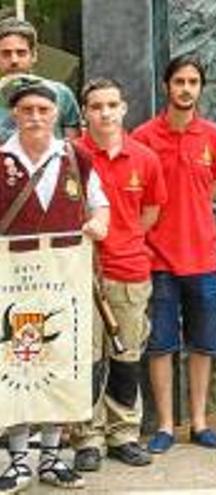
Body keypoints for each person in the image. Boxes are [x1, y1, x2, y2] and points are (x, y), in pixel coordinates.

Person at [0, 77, 109, 492]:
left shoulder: (76, 158)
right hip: (10, 282)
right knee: (15, 363)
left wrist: (99, 224)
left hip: (62, 279)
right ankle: (17, 461)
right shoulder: (0, 159)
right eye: (27, 110)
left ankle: (50, 458)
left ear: (55, 115)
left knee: (58, 360)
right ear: (15, 114)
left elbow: (100, 202)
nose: (35, 118)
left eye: (43, 111)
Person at [132, 56, 216, 453]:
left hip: (202, 258)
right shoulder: (142, 137)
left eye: (192, 82)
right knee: (160, 346)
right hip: (157, 260)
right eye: (179, 81)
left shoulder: (213, 137)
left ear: (200, 88)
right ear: (166, 87)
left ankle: (200, 422)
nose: (186, 88)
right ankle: (167, 426)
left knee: (203, 343)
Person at [70, 79, 166, 472]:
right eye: (96, 106)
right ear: (84, 112)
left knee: (126, 356)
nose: (105, 113)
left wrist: (124, 239)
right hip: (81, 273)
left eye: (112, 105)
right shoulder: (71, 156)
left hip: (129, 270)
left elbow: (151, 212)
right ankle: (87, 437)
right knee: (87, 359)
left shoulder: (144, 158)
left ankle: (123, 433)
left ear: (124, 108)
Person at [0, 17, 79, 142]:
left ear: (34, 55)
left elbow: (72, 149)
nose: (14, 60)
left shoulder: (61, 94)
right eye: (6, 53)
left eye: (21, 53)